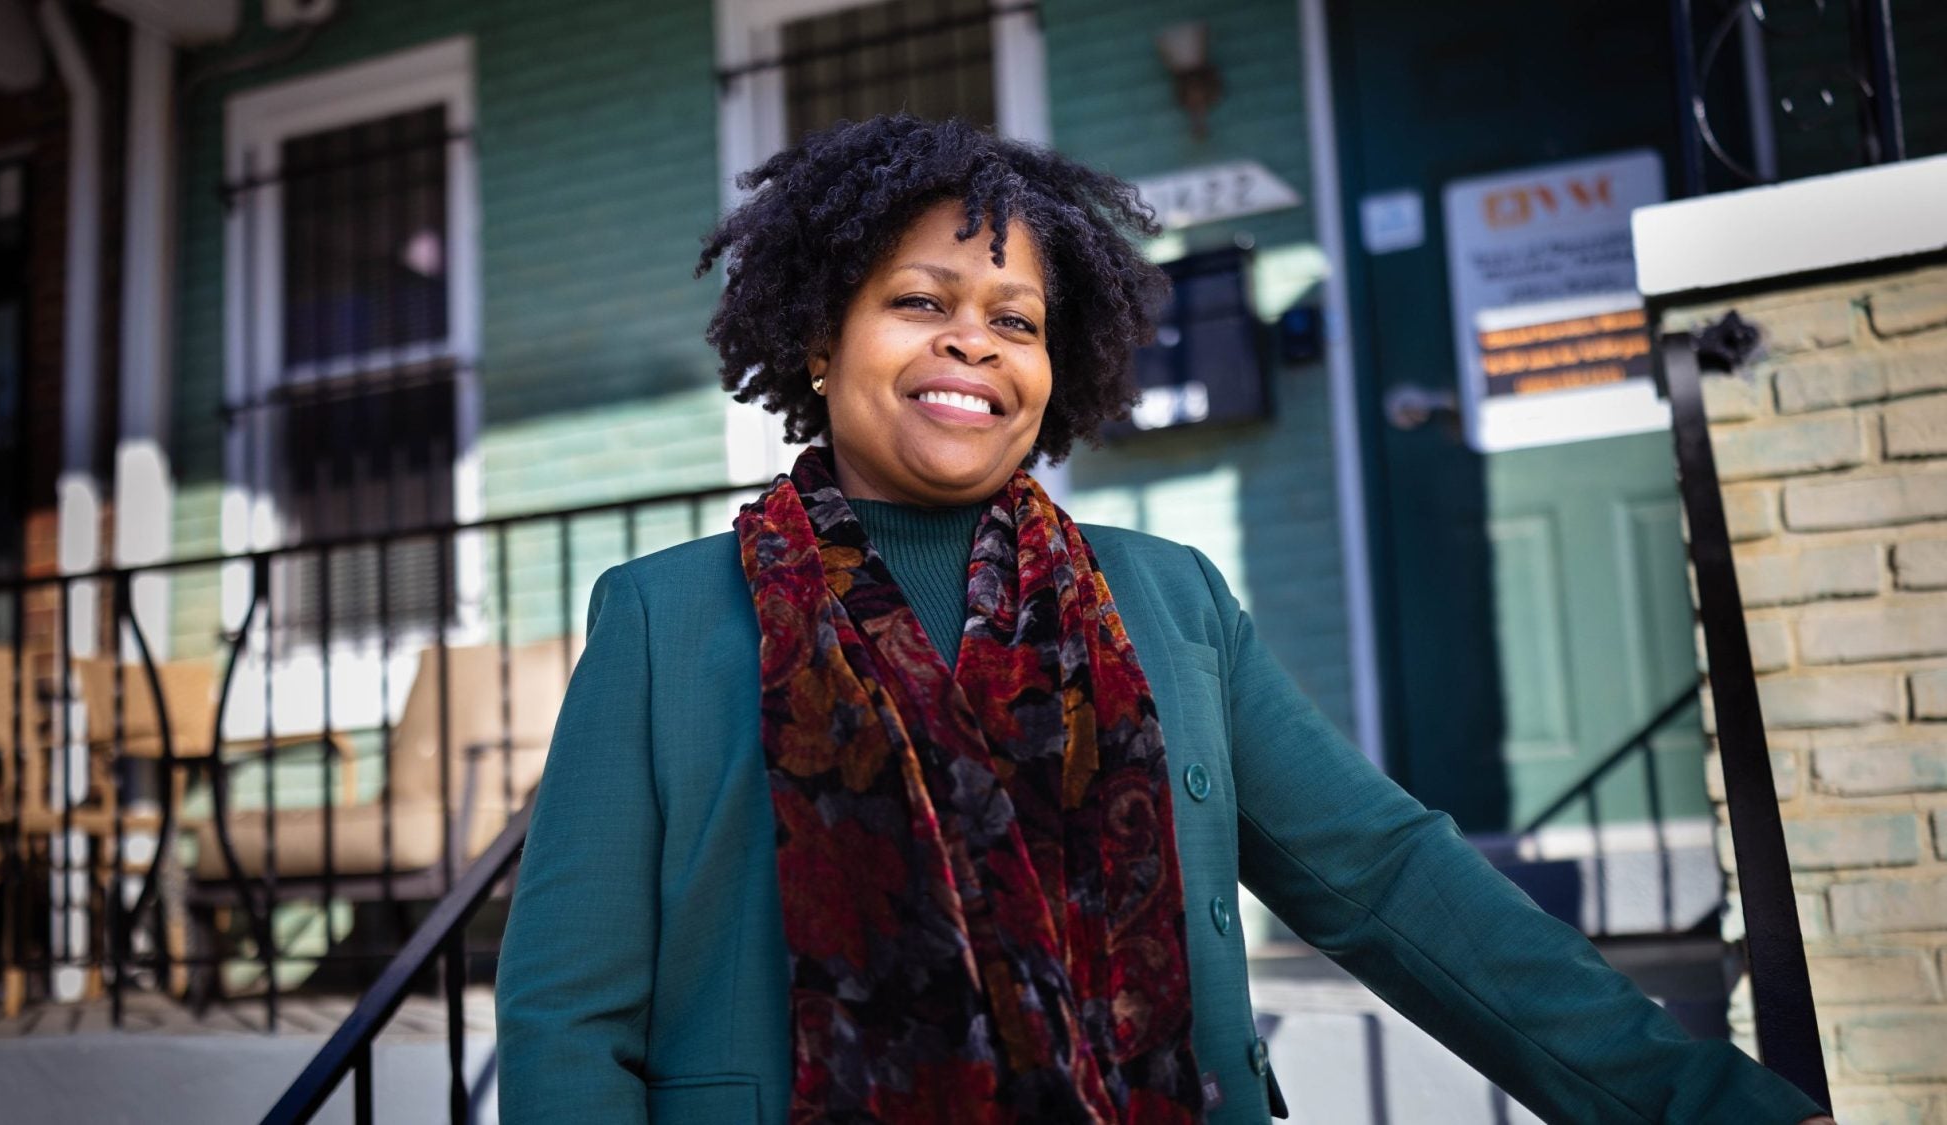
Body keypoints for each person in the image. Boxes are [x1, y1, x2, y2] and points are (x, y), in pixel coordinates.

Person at [495, 114, 1835, 1124]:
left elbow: (1389, 880)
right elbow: (569, 1011)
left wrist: (1708, 1105)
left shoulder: (1166, 600)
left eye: (1015, 318)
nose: (973, 343)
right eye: (918, 301)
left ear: (1055, 366)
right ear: (816, 341)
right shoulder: (668, 617)